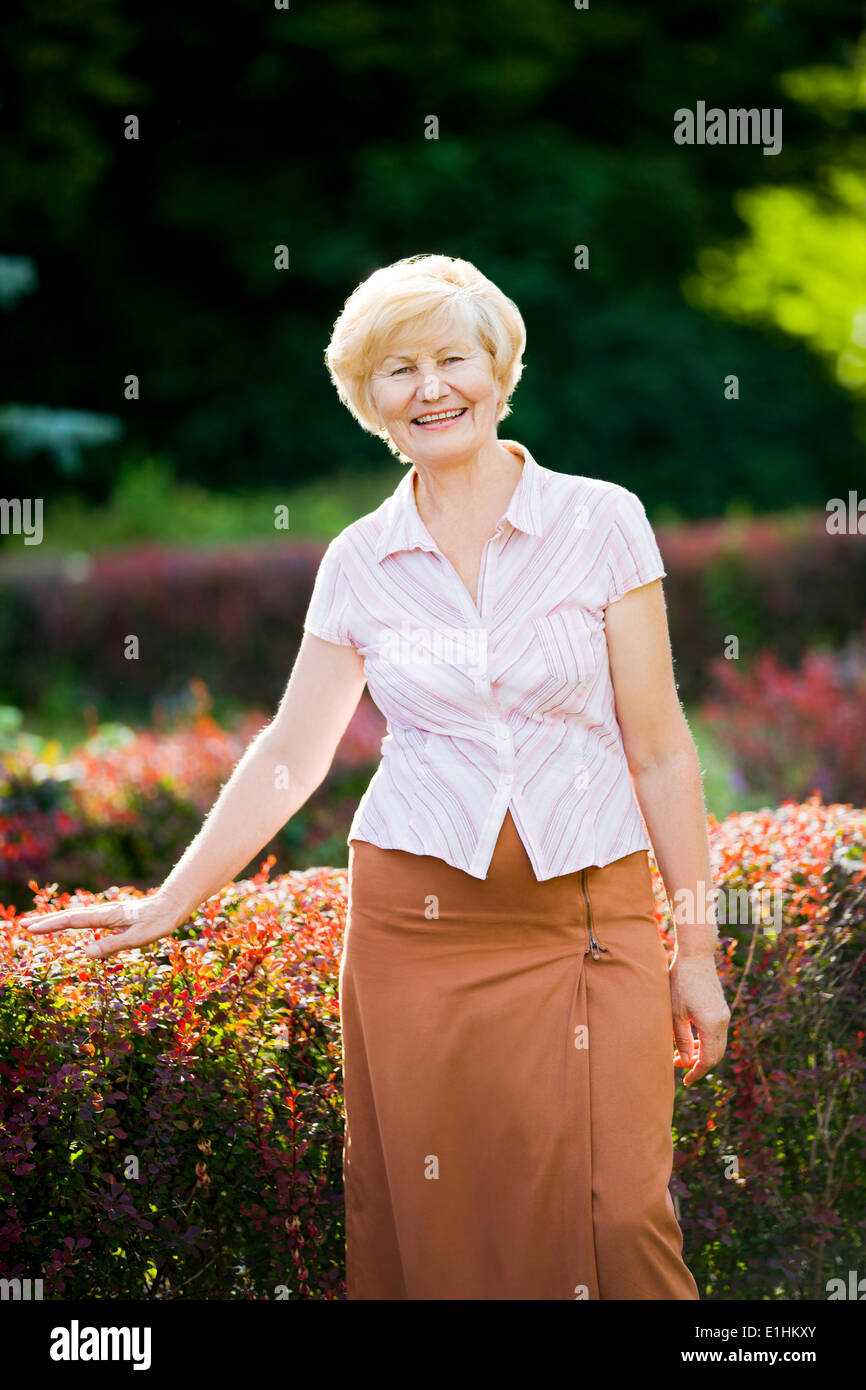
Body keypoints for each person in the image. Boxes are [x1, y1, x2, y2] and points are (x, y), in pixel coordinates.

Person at [20, 253, 730, 1301]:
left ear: (499, 372)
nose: (429, 386)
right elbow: (291, 753)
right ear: (367, 399)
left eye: (452, 358)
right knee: (440, 1224)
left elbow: (660, 748)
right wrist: (171, 902)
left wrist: (697, 949)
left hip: (590, 915)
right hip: (419, 929)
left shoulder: (601, 521)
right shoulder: (358, 559)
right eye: (397, 369)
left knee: (618, 1215)